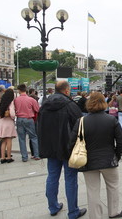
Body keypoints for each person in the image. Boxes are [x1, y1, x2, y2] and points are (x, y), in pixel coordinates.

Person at [69, 92, 122, 219]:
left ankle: (95, 216)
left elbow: (71, 142)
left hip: (88, 161)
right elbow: (121, 142)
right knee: (113, 186)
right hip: (108, 160)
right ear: (104, 103)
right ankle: (114, 211)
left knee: (92, 191)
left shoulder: (81, 121)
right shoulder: (111, 120)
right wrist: (116, 156)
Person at [38, 81, 87, 218]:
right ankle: (73, 211)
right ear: (66, 91)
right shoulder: (70, 105)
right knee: (70, 178)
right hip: (68, 148)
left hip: (51, 148)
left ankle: (53, 207)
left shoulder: (45, 105)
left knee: (52, 177)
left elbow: (39, 127)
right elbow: (80, 126)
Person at [14, 84, 40, 162]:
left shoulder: (16, 100)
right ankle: (36, 155)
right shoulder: (31, 100)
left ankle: (24, 157)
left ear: (19, 90)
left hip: (19, 119)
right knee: (33, 137)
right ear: (26, 90)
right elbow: (37, 109)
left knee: (22, 139)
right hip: (29, 119)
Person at [0, 89, 16, 164]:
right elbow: (12, 114)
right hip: (8, 122)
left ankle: (2, 157)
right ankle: (8, 157)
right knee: (9, 140)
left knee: (3, 141)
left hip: (1, 122)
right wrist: (13, 117)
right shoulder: (10, 102)